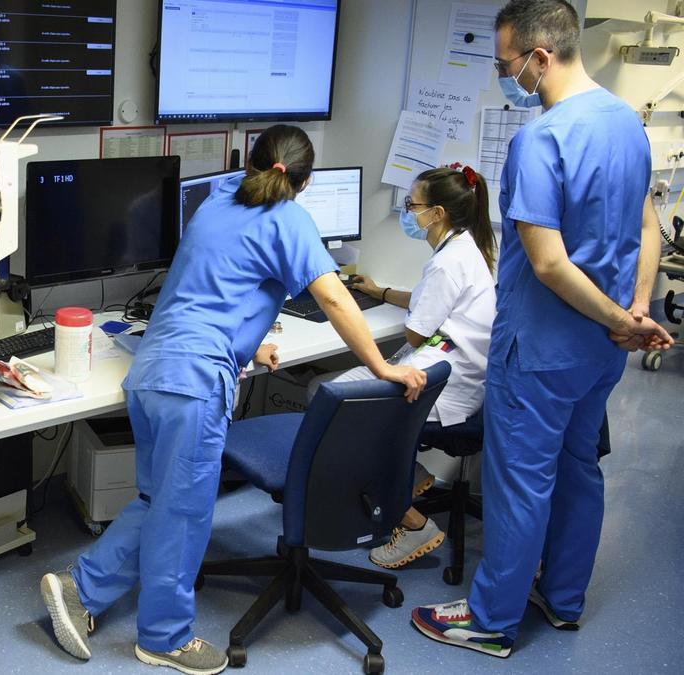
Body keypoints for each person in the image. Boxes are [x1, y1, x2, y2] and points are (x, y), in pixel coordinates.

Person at [39, 125, 427, 675]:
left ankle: (79, 589)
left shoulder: (216, 199)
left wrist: (250, 339)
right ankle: (165, 639)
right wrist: (382, 365)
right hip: (194, 385)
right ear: (305, 182)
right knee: (184, 515)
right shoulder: (290, 220)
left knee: (156, 501)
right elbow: (337, 299)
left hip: (152, 373)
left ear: (251, 164)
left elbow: (215, 283)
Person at [411, 0, 675, 659]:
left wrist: (624, 319)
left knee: (521, 482)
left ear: (540, 56)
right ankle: (562, 599)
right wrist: (634, 314)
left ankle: (492, 619)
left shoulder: (541, 138)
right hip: (601, 350)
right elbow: (649, 226)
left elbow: (549, 262)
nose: (505, 76)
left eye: (505, 64)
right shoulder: (625, 123)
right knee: (579, 468)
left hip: (540, 348)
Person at [326, 164, 497, 570]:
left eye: (411, 205)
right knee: (335, 389)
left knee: (332, 403)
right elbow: (429, 306)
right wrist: (380, 291)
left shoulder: (446, 262)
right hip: (460, 377)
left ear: (437, 213)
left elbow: (417, 335)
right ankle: (409, 472)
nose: (407, 212)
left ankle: (413, 520)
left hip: (440, 387)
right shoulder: (465, 248)